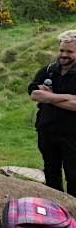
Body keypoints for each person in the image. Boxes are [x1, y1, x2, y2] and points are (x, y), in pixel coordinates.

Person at [28, 30, 76, 197]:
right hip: (47, 131)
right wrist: (66, 98)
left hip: (72, 135)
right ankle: (55, 212)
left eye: (70, 52)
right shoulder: (48, 70)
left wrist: (48, 97)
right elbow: (34, 93)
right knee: (51, 173)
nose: (64, 55)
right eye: (62, 50)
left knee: (73, 175)